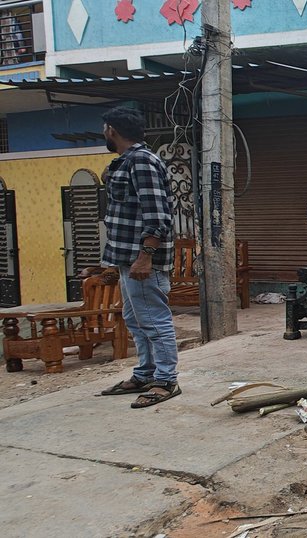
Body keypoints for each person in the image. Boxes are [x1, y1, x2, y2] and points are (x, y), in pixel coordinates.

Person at [96, 107, 181, 408]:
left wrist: (145, 257)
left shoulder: (143, 161)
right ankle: (145, 373)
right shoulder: (127, 161)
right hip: (126, 258)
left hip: (141, 259)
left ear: (111, 130)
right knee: (135, 318)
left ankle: (166, 380)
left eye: (105, 129)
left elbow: (158, 215)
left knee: (154, 319)